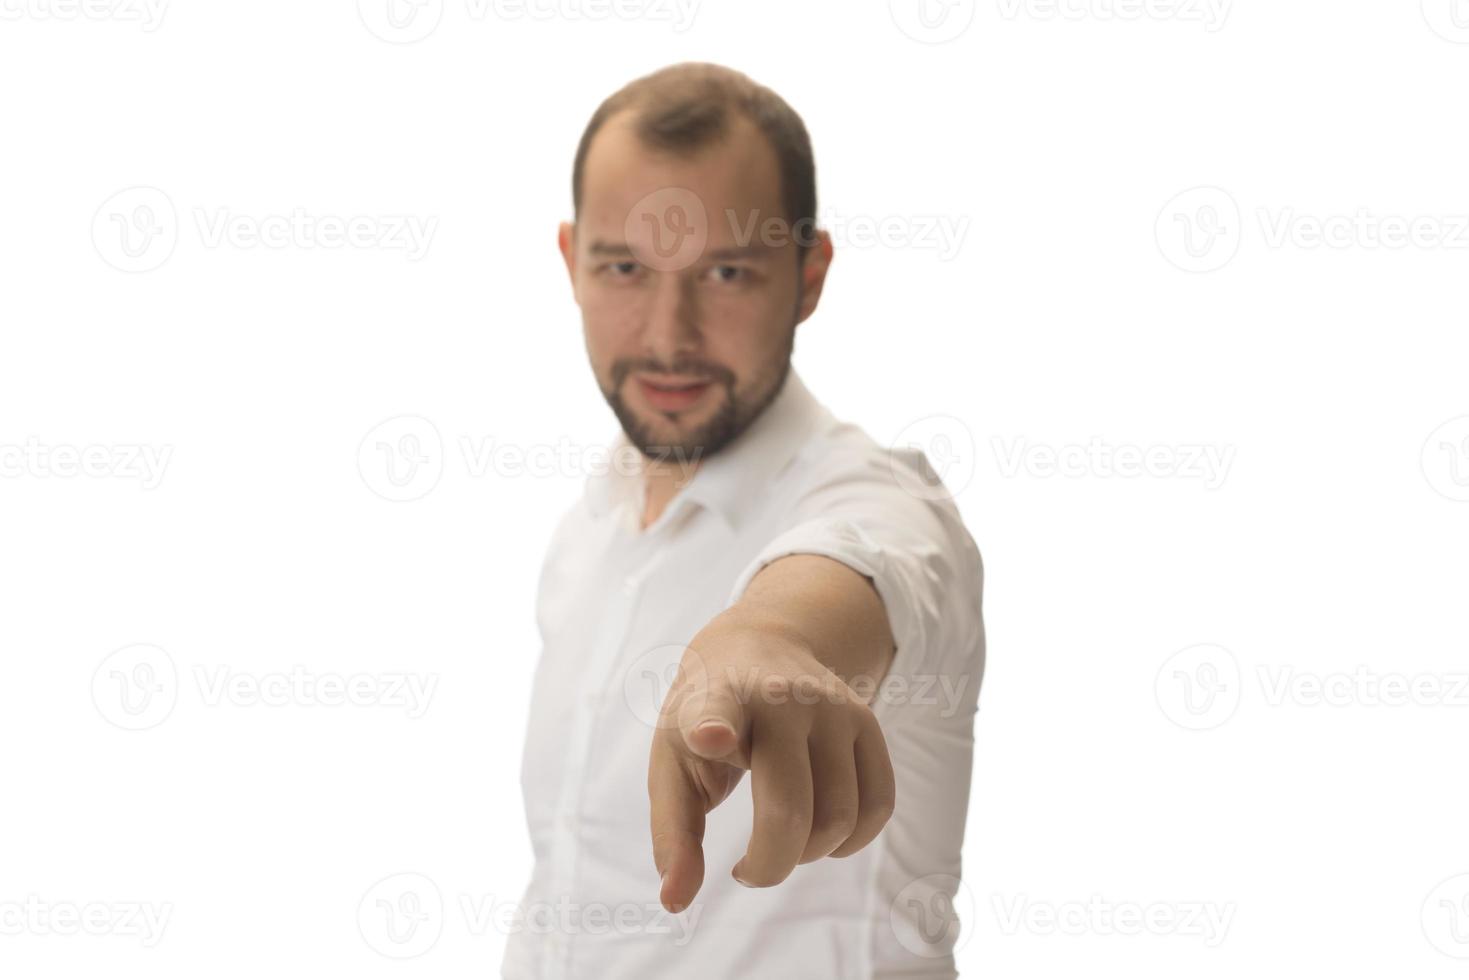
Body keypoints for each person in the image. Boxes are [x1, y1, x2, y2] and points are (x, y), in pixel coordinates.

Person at [503, 61, 985, 980]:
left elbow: (852, 568)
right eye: (624, 268)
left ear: (809, 276)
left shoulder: (883, 502)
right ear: (571, 264)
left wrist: (764, 641)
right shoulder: (588, 527)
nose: (667, 333)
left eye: (725, 271)